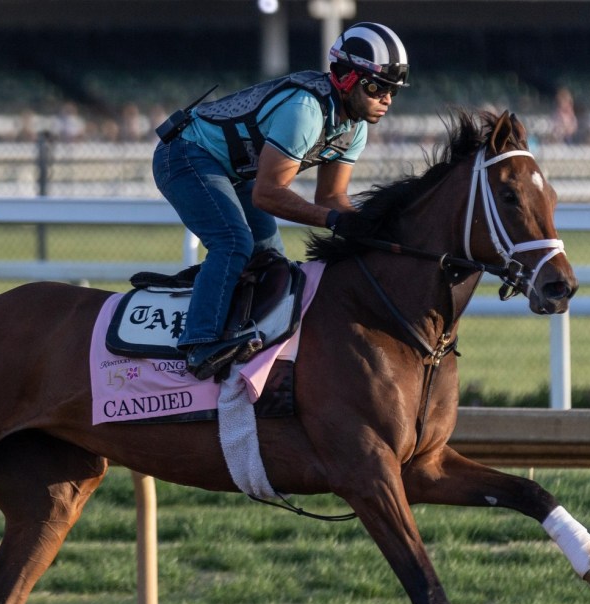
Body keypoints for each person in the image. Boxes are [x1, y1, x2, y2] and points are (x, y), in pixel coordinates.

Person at [152, 21, 409, 379]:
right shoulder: (304, 111)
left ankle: (242, 332)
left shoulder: (356, 128)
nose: (387, 100)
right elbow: (268, 194)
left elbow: (332, 197)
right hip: (184, 155)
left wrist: (373, 230)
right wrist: (333, 222)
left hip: (233, 171)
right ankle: (199, 342)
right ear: (347, 79)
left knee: (272, 262)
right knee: (233, 242)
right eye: (377, 88)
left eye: (393, 91)